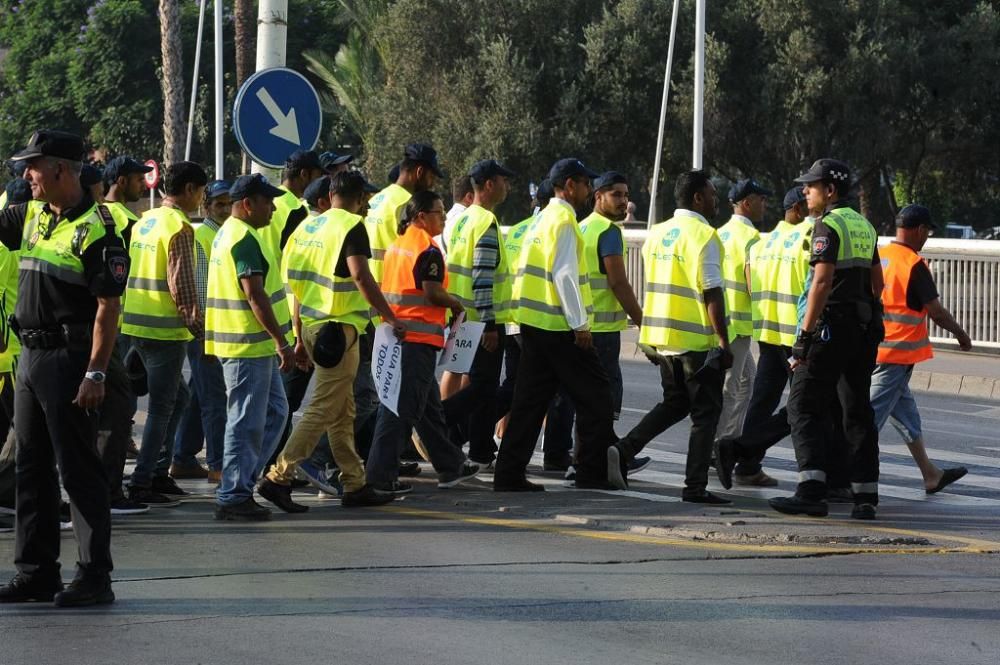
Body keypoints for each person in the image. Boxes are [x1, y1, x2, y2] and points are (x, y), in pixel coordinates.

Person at [0, 130, 129, 606]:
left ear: (60, 169)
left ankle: (95, 576)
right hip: (31, 358)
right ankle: (36, 571)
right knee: (30, 469)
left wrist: (95, 372)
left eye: (33, 166)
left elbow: (108, 308)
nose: (26, 175)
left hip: (71, 359)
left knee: (77, 470)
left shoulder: (98, 229)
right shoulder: (34, 214)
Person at [260, 172, 400, 511]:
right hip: (340, 330)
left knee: (342, 411)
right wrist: (390, 316)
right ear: (360, 197)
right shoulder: (351, 226)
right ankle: (279, 477)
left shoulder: (306, 228)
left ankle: (354, 483)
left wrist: (297, 336)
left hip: (311, 327)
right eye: (365, 198)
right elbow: (360, 274)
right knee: (323, 408)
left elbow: (294, 286)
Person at [768, 159, 883, 520]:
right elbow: (878, 283)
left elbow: (820, 282)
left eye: (811, 186)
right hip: (864, 327)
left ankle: (811, 490)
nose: (805, 191)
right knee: (856, 409)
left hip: (831, 327)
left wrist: (804, 335)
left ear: (829, 191)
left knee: (802, 404)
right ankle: (865, 496)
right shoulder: (864, 225)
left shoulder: (826, 226)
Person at [496, 158, 619, 492]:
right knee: (597, 397)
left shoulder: (540, 220)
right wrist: (580, 325)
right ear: (568, 185)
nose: (588, 189)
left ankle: (507, 474)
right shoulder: (564, 220)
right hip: (559, 326)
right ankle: (589, 473)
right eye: (583, 183)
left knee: (529, 402)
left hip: (533, 323)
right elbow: (565, 275)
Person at [611, 170, 733, 504]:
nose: (715, 198)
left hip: (661, 338)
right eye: (711, 193)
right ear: (697, 198)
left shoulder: (659, 233)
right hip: (696, 342)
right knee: (706, 414)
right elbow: (712, 293)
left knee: (675, 404)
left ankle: (622, 450)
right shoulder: (704, 236)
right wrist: (723, 341)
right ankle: (694, 487)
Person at [365, 191, 480, 493]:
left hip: (400, 335)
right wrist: (455, 303)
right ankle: (379, 477)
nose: (443, 218)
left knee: (429, 410)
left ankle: (450, 466)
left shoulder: (397, 246)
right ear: (420, 217)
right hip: (417, 339)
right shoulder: (427, 249)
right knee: (402, 410)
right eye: (438, 212)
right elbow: (431, 293)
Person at [205, 174, 294, 521]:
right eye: (267, 202)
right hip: (246, 345)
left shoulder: (233, 233)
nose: (272, 208)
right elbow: (254, 295)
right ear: (248, 204)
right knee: (245, 422)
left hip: (251, 346)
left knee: (275, 412)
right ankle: (232, 494)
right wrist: (282, 342)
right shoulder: (242, 238)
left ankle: (240, 479)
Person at [123, 161, 207, 506]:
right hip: (164, 330)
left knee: (179, 398)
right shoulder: (179, 228)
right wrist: (199, 329)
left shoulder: (146, 220)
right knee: (161, 407)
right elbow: (182, 286)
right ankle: (144, 480)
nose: (201, 198)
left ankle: (156, 471)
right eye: (201, 191)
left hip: (136, 325)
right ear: (189, 190)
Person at [717, 187, 813, 486]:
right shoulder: (808, 236)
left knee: (761, 399)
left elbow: (749, 283)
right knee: (807, 404)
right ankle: (816, 476)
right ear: (799, 209)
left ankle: (746, 464)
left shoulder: (764, 242)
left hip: (765, 330)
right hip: (797, 335)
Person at [872, 204, 971, 492]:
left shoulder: (882, 255)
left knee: (907, 416)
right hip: (896, 354)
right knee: (867, 421)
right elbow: (936, 312)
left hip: (876, 349)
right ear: (918, 230)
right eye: (927, 231)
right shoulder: (913, 264)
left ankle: (930, 474)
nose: (927, 236)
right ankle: (842, 478)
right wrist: (961, 335)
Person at [441, 160, 516, 466]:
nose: (506, 186)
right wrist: (488, 325)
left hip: (462, 315)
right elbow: (482, 275)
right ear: (488, 185)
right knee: (484, 385)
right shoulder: (485, 221)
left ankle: (482, 448)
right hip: (481, 317)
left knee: (481, 385)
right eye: (503, 180)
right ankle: (437, 421)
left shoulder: (462, 220)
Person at [94, 156, 152, 515]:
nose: (143, 185)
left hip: (117, 320)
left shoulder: (101, 215)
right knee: (120, 402)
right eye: (136, 178)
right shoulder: (128, 222)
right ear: (119, 180)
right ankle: (110, 487)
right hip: (120, 320)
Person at [172, 179, 231, 484]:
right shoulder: (204, 236)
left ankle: (182, 457)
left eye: (229, 203)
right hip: (207, 330)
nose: (225, 208)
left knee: (199, 395)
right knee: (214, 399)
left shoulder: (222, 233)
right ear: (206, 206)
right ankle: (218, 463)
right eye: (219, 204)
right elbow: (201, 288)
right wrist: (206, 335)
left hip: (216, 329)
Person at [580, 171, 643, 420]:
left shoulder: (582, 226)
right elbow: (618, 283)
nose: (623, 201)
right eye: (616, 194)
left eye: (626, 195)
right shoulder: (608, 231)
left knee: (583, 396)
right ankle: (604, 453)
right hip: (603, 329)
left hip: (581, 324)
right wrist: (642, 322)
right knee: (606, 395)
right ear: (598, 196)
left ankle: (586, 452)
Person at [715, 179, 767, 445]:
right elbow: (752, 285)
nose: (765, 204)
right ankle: (717, 446)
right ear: (747, 203)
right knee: (732, 387)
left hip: (721, 320)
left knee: (747, 381)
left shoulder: (720, 233)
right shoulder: (751, 239)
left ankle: (731, 438)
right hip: (739, 324)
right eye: (761, 199)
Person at [365, 144, 443, 283]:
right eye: (431, 177)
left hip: (371, 289)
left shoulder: (377, 198)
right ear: (419, 172)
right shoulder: (409, 204)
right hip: (395, 288)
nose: (432, 185)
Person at [259, 149, 324, 255]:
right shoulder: (298, 210)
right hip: (281, 271)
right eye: (318, 176)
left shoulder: (269, 201)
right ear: (304, 174)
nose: (319, 183)